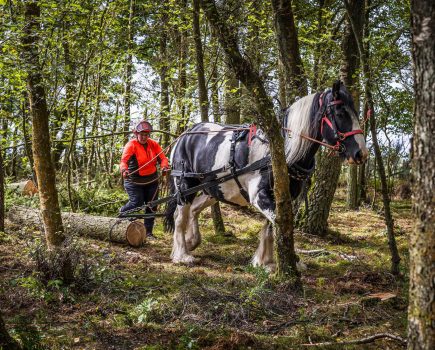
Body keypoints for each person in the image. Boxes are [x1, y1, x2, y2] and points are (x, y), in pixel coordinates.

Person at [119, 121, 169, 239]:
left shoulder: (154, 144)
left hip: (151, 180)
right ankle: (122, 213)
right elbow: (123, 161)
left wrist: (164, 167)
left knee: (152, 206)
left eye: (146, 134)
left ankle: (148, 233)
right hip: (134, 181)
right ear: (137, 134)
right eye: (141, 134)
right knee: (137, 202)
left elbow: (163, 158)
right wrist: (124, 170)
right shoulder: (131, 145)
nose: (144, 137)